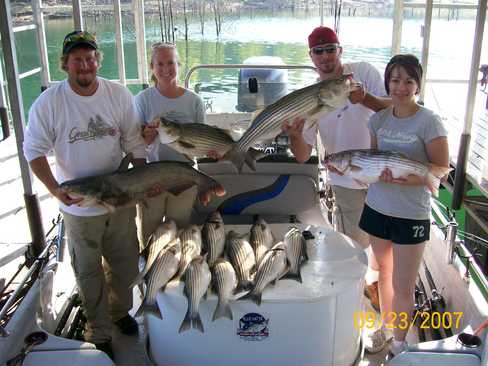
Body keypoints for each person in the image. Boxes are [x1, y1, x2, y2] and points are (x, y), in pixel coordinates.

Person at [23, 30, 148, 359]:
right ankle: (99, 329)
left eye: (90, 58)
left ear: (98, 60)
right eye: (77, 59)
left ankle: (119, 313)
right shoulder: (49, 103)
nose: (85, 65)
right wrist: (54, 189)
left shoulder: (118, 94)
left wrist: (144, 178)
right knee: (88, 272)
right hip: (79, 206)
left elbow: (135, 143)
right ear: (65, 64)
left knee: (124, 266)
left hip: (118, 197)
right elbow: (33, 150)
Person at [283, 26, 388, 329]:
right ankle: (354, 313)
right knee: (355, 250)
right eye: (319, 51)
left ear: (341, 51)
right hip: (345, 182)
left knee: (386, 252)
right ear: (311, 57)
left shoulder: (363, 73)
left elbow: (394, 109)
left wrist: (364, 99)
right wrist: (293, 135)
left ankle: (382, 306)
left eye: (331, 49)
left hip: (382, 175)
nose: (326, 56)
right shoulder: (309, 99)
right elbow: (303, 155)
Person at [358, 54, 449, 356]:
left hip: (410, 213)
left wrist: (410, 180)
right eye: (395, 80)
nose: (401, 87)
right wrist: (374, 175)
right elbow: (373, 161)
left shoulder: (429, 121)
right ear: (387, 83)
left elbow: (440, 166)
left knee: (404, 283)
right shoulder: (378, 119)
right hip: (377, 207)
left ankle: (399, 342)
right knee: (382, 272)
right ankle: (385, 327)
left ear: (418, 85)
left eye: (409, 81)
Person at [134, 42, 206, 245]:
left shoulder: (195, 101)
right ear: (152, 67)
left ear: (179, 64)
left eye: (171, 63)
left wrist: (213, 150)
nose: (166, 69)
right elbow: (138, 145)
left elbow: (200, 143)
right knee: (149, 237)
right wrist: (147, 135)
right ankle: (149, 271)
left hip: (185, 177)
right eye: (160, 64)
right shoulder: (142, 99)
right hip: (151, 178)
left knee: (180, 235)